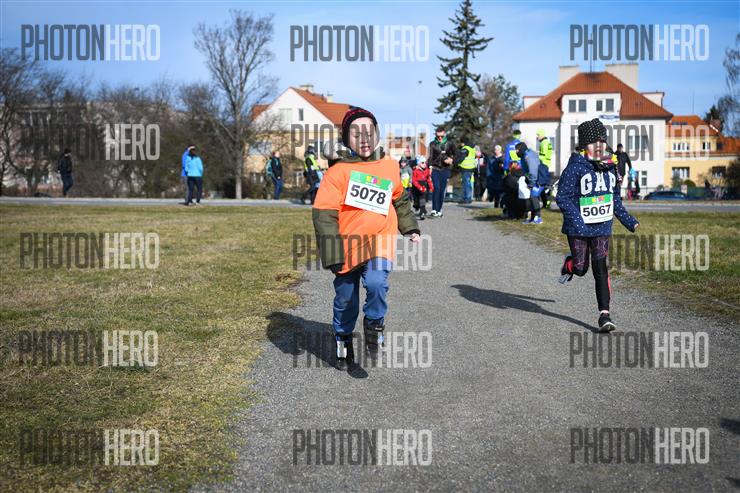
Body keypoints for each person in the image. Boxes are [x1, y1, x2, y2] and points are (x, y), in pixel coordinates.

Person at [312, 107, 420, 368]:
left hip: (379, 241)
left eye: (369, 132)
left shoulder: (389, 166)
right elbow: (324, 216)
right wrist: (332, 254)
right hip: (346, 246)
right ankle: (343, 339)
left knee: (376, 283)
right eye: (356, 133)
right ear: (346, 138)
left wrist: (410, 228)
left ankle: (374, 324)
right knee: (345, 299)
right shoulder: (337, 172)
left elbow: (399, 199)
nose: (364, 139)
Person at [556, 118, 639, 332]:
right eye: (594, 142)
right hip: (578, 229)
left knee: (600, 268)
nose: (599, 146)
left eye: (602, 141)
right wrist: (578, 222)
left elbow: (614, 199)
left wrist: (628, 220)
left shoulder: (610, 168)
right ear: (584, 146)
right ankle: (570, 265)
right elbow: (562, 197)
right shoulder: (575, 168)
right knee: (581, 268)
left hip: (602, 227)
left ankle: (605, 315)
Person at [516, 142, 549, 224]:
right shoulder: (524, 156)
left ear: (521, 149)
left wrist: (532, 183)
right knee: (532, 197)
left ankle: (538, 218)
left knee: (533, 196)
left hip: (538, 179)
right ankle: (533, 217)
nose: (516, 152)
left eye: (517, 150)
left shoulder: (529, 156)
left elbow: (533, 171)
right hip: (532, 179)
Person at [427, 126, 455, 217]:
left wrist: (451, 160)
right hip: (435, 168)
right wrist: (430, 167)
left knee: (442, 189)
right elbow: (430, 157)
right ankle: (434, 209)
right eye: (438, 136)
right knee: (436, 188)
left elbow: (456, 154)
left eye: (441, 136)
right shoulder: (432, 144)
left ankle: (439, 210)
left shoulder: (450, 143)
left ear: (444, 134)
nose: (440, 138)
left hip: (445, 169)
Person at [454, 137, 476, 204]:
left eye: (461, 143)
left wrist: (455, 162)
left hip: (466, 168)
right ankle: (468, 198)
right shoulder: (472, 148)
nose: (460, 144)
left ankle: (467, 198)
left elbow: (461, 158)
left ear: (463, 142)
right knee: (468, 184)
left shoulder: (465, 149)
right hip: (471, 168)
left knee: (466, 184)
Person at [411, 155, 433, 220]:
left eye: (425, 162)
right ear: (418, 164)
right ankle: (417, 206)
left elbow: (428, 179)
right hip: (416, 187)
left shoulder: (427, 170)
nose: (424, 164)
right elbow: (414, 181)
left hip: (424, 185)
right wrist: (419, 187)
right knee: (416, 201)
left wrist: (431, 187)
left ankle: (422, 212)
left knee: (422, 198)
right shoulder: (415, 171)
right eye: (422, 163)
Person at [536, 130, 553, 208]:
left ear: (542, 135)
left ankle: (546, 202)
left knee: (542, 184)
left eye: (538, 135)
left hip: (543, 164)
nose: (537, 137)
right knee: (545, 184)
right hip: (546, 164)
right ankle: (546, 202)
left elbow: (543, 155)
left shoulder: (543, 143)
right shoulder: (547, 142)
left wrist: (535, 156)